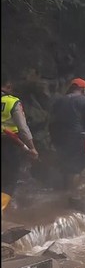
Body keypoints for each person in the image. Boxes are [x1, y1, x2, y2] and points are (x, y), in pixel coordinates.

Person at [49, 78, 85, 178]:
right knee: (78, 167)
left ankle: (65, 189)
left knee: (65, 166)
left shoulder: (59, 101)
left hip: (60, 138)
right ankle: (75, 191)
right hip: (77, 137)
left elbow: (53, 119)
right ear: (83, 89)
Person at [1, 75, 39, 211]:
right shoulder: (12, 102)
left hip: (10, 142)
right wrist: (32, 147)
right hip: (9, 144)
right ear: (8, 86)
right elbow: (23, 128)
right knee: (9, 179)